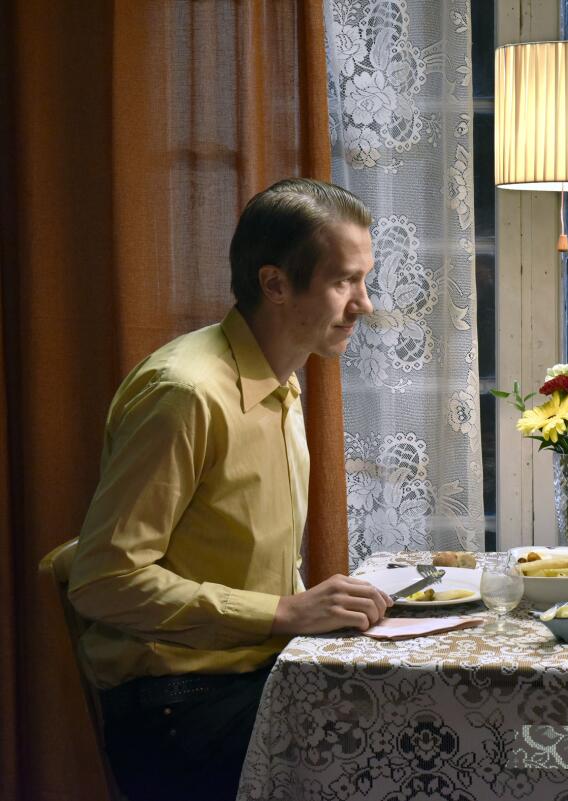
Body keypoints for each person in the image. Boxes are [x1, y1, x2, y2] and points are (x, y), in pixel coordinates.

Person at [68, 178, 394, 801]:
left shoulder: (282, 383)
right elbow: (102, 580)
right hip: (178, 709)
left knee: (416, 726)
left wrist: (316, 612)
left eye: (364, 279)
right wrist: (284, 614)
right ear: (274, 284)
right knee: (405, 756)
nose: (365, 304)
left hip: (247, 679)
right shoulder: (185, 393)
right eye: (343, 282)